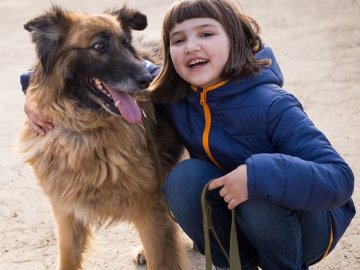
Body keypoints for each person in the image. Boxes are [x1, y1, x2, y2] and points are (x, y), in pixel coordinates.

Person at [21, 0, 355, 269]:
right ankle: (231, 261)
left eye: (206, 34)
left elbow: (339, 178)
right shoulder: (178, 90)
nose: (192, 47)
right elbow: (53, 71)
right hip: (234, 207)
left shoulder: (272, 105)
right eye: (179, 40)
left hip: (303, 224)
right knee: (186, 179)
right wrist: (34, 95)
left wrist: (258, 175)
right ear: (170, 55)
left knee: (255, 200)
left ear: (237, 39)